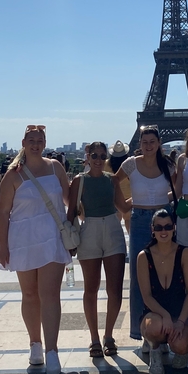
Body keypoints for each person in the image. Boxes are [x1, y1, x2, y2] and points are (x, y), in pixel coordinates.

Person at [0, 125, 71, 374]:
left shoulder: (56, 168)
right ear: (24, 143)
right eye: (32, 140)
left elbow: (69, 200)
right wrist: (2, 246)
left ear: (45, 143)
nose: (36, 144)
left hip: (52, 239)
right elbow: (3, 213)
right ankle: (35, 343)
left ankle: (52, 350)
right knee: (29, 294)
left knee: (50, 294)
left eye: (40, 140)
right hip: (24, 240)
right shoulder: (13, 175)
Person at [114, 125, 176, 342]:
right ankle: (141, 330)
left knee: (166, 273)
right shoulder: (131, 164)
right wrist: (124, 206)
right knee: (138, 275)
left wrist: (163, 199)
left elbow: (178, 189)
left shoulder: (168, 164)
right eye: (145, 142)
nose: (148, 145)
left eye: (152, 141)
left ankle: (165, 328)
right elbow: (114, 181)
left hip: (164, 220)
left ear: (159, 143)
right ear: (139, 144)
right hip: (140, 220)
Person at [67, 141, 126, 358]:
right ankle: (94, 338)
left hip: (112, 229)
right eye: (95, 156)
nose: (99, 160)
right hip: (90, 230)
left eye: (102, 156)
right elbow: (71, 211)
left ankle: (108, 335)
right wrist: (69, 241)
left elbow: (123, 206)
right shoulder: (79, 180)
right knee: (91, 288)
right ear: (88, 157)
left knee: (115, 289)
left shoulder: (112, 180)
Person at [138, 209, 188, 374]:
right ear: (152, 230)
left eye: (168, 227)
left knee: (181, 345)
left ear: (174, 228)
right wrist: (164, 315)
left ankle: (180, 351)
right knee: (154, 327)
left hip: (180, 313)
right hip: (155, 313)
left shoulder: (184, 253)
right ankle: (155, 349)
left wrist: (180, 322)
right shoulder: (144, 256)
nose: (163, 231)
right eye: (158, 227)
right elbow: (146, 296)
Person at [108, 140, 131, 235]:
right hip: (129, 197)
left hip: (114, 197)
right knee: (128, 222)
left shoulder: (106, 164)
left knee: (114, 228)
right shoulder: (130, 164)